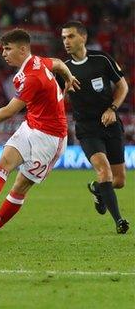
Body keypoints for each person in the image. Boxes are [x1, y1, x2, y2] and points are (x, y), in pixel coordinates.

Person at [0, 28, 80, 240]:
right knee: (4, 162)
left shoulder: (33, 76)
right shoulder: (36, 62)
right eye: (3, 49)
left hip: (50, 139)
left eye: (7, 49)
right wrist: (69, 77)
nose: (3, 53)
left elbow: (9, 111)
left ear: (22, 50)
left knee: (20, 186)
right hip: (31, 126)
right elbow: (58, 62)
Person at [61, 21, 130, 234]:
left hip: (110, 123)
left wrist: (112, 108)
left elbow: (122, 86)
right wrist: (63, 91)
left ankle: (98, 190)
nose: (66, 42)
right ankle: (119, 221)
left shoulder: (101, 59)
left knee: (118, 181)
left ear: (83, 37)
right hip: (86, 127)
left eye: (70, 36)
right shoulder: (63, 68)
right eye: (63, 38)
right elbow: (54, 97)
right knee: (104, 170)